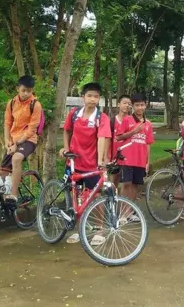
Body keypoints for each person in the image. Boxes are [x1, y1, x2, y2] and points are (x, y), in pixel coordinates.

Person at [60, 82, 111, 245]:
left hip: (91, 165)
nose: (93, 99)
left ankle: (99, 229)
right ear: (83, 97)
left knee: (95, 196)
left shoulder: (101, 117)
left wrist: (101, 161)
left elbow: (102, 138)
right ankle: (79, 229)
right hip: (74, 162)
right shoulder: (74, 113)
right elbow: (66, 130)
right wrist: (66, 148)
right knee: (75, 195)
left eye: (96, 96)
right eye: (89, 96)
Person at [0, 75, 43, 204]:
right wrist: (8, 140)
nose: (26, 93)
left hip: (29, 140)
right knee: (1, 173)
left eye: (29, 91)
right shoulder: (11, 103)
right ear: (17, 88)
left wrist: (17, 143)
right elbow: (7, 123)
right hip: (13, 140)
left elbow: (32, 129)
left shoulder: (35, 105)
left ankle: (13, 196)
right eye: (23, 90)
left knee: (16, 158)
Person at [115, 93, 155, 222]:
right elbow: (118, 137)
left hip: (140, 160)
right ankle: (121, 213)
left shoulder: (148, 124)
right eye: (137, 105)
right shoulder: (127, 120)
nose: (140, 108)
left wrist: (147, 162)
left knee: (134, 186)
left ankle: (129, 212)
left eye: (142, 105)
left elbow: (148, 144)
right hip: (127, 158)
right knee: (126, 184)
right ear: (133, 106)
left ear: (146, 106)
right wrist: (133, 132)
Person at [110, 94, 131, 188]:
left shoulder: (132, 121)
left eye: (129, 104)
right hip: (115, 158)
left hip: (128, 158)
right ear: (118, 104)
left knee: (127, 183)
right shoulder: (112, 121)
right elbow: (108, 139)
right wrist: (107, 156)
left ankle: (124, 202)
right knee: (114, 182)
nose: (127, 105)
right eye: (124, 103)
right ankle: (112, 201)